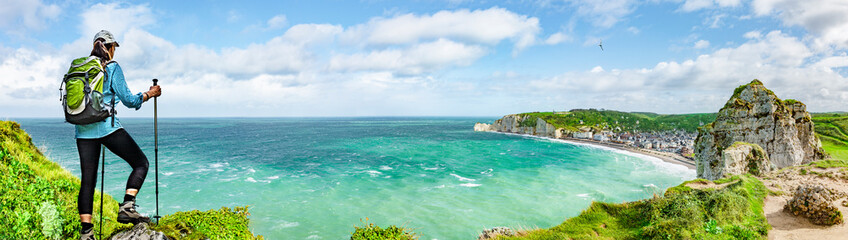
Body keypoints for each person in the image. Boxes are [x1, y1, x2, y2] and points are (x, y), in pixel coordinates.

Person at [76, 30, 162, 240]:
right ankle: (127, 205)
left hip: (82, 129)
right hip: (107, 127)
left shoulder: (81, 67)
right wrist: (149, 94)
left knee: (87, 181)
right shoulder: (111, 67)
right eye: (114, 47)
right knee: (141, 163)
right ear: (110, 47)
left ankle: (86, 234)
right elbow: (129, 100)